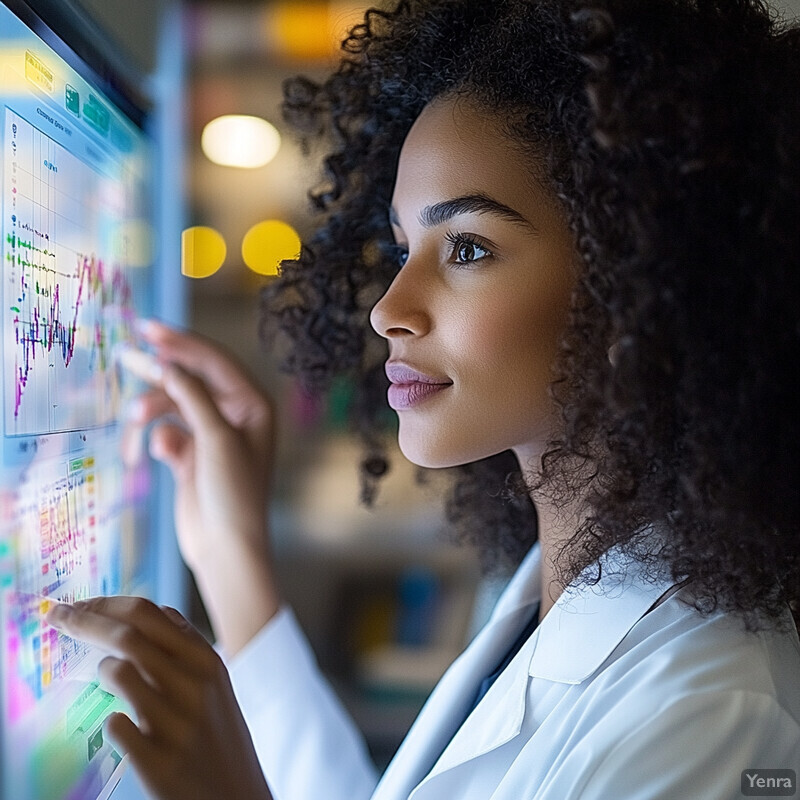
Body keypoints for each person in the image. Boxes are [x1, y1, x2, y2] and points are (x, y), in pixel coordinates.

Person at [45, 1, 800, 798]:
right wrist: (232, 560)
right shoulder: (557, 594)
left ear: (641, 285)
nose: (387, 308)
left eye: (467, 247)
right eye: (404, 248)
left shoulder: (720, 717)